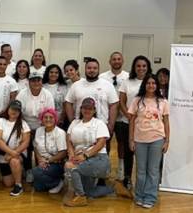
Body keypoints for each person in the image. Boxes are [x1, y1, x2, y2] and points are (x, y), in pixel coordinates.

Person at [63, 98, 130, 207]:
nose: (87, 110)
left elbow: (101, 142)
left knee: (70, 166)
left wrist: (85, 155)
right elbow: (68, 140)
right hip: (80, 159)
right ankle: (113, 187)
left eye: (90, 108)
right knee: (90, 192)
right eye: (85, 108)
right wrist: (71, 154)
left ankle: (81, 197)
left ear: (94, 110)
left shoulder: (99, 123)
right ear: (80, 109)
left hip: (99, 159)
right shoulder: (75, 123)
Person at [129, 75, 170, 209]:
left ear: (157, 86)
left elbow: (166, 122)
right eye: (148, 83)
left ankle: (150, 197)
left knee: (153, 171)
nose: (151, 85)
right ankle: (139, 195)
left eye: (153, 83)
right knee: (141, 171)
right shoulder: (137, 100)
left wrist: (167, 140)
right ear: (144, 85)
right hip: (139, 139)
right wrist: (131, 139)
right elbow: (132, 121)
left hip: (157, 139)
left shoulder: (163, 101)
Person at [117, 55, 152, 188]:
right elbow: (122, 101)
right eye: (138, 66)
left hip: (147, 125)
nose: (141, 68)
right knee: (128, 152)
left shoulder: (150, 82)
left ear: (147, 67)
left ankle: (143, 181)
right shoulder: (127, 82)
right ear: (134, 67)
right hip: (129, 123)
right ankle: (127, 178)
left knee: (144, 153)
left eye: (144, 66)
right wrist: (129, 116)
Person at [64, 57, 118, 138]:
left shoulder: (107, 85)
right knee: (79, 150)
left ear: (98, 69)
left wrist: (111, 125)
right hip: (80, 127)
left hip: (102, 127)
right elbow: (68, 103)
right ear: (85, 69)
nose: (92, 70)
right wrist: (72, 121)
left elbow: (114, 105)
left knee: (102, 150)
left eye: (95, 68)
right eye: (89, 68)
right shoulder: (76, 85)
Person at [16, 71, 55, 183]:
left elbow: (50, 113)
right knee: (26, 147)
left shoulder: (47, 94)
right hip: (25, 124)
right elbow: (19, 113)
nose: (36, 82)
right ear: (29, 82)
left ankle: (40, 169)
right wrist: (25, 129)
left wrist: (42, 129)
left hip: (43, 125)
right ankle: (28, 170)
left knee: (40, 147)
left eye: (38, 80)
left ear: (41, 81)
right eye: (33, 80)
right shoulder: (22, 94)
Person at [100, 51, 131, 180]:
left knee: (121, 143)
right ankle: (105, 167)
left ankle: (121, 168)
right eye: (114, 59)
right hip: (106, 115)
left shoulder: (129, 77)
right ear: (110, 61)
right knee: (104, 141)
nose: (116, 61)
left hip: (122, 116)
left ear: (122, 61)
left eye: (119, 59)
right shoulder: (102, 77)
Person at [0, 100, 30, 197]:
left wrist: (13, 154)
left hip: (18, 153)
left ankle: (18, 185)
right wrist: (10, 152)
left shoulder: (23, 124)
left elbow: (26, 142)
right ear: (8, 109)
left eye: (17, 110)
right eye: (12, 109)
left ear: (20, 112)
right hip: (4, 154)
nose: (14, 112)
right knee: (8, 183)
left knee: (14, 161)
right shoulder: (0, 121)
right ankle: (18, 173)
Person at [31, 108, 67, 194]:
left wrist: (47, 161)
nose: (48, 120)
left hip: (56, 163)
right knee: (38, 187)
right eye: (45, 117)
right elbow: (35, 147)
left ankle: (58, 183)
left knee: (36, 171)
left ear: (55, 119)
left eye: (51, 117)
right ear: (42, 119)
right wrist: (40, 159)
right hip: (42, 162)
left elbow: (63, 153)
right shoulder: (39, 130)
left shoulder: (60, 132)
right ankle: (52, 182)